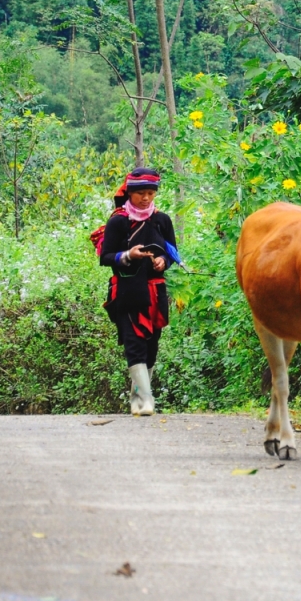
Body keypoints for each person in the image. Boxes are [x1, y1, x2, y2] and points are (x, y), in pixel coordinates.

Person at [99, 167, 178, 416]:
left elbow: (171, 251)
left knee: (152, 345)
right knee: (134, 344)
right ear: (130, 193)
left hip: (156, 291)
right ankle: (147, 400)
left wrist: (163, 261)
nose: (146, 198)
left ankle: (136, 399)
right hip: (127, 290)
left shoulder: (162, 220)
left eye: (151, 193)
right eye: (141, 193)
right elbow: (106, 257)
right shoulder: (118, 221)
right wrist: (128, 255)